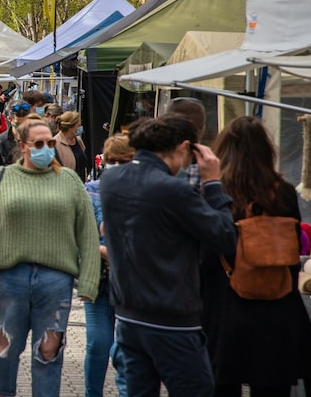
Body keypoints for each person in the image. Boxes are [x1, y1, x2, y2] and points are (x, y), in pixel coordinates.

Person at [100, 114, 236, 396]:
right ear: (184, 147)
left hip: (127, 315)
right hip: (171, 319)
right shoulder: (173, 190)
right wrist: (212, 184)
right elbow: (225, 236)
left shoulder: (111, 179)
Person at [0, 116, 101, 397]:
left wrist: (90, 280)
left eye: (50, 143)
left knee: (49, 353)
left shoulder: (68, 180)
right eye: (39, 143)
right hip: (11, 280)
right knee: (5, 351)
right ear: (23, 145)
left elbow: (88, 234)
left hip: (56, 281)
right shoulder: (0, 178)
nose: (47, 148)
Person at [203, 116, 311, 396]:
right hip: (276, 303)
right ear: (265, 150)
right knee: (271, 386)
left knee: (223, 385)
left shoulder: (216, 193)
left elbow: (206, 255)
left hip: (225, 305)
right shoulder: (280, 191)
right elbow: (294, 250)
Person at [82, 135, 132, 397]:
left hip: (130, 284)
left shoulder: (143, 193)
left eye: (124, 161)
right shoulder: (90, 191)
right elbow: (81, 235)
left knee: (124, 348)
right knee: (98, 343)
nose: (118, 166)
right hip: (98, 278)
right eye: (113, 161)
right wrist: (104, 251)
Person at [0, 100, 33, 178]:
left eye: (25, 123)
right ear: (9, 119)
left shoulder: (36, 140)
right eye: (18, 123)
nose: (21, 127)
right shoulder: (0, 141)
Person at [54, 111, 88, 182]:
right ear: (70, 127)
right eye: (78, 126)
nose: (80, 128)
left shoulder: (78, 140)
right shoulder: (55, 144)